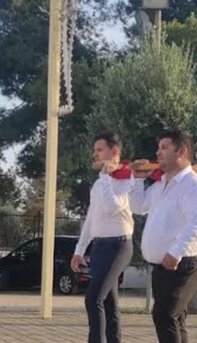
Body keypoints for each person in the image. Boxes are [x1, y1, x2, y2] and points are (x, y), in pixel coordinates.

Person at [130, 130, 197, 343]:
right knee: (174, 319)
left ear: (182, 151)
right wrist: (138, 180)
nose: (158, 153)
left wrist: (175, 252)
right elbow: (138, 206)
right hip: (162, 268)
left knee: (164, 315)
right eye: (158, 148)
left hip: (184, 264)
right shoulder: (160, 185)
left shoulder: (195, 186)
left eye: (165, 148)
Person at [72, 132, 135, 343]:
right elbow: (92, 218)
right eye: (94, 150)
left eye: (99, 150)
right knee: (109, 302)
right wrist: (79, 250)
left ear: (114, 151)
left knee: (93, 299)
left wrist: (106, 178)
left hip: (118, 246)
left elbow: (112, 208)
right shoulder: (100, 183)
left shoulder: (126, 178)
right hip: (99, 247)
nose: (95, 154)